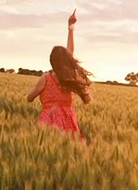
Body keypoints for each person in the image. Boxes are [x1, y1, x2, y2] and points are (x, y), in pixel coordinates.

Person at [26, 9, 92, 138]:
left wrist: (35, 94)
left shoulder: (46, 78)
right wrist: (71, 28)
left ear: (51, 61)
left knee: (45, 144)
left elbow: (29, 98)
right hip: (68, 120)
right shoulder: (68, 77)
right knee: (70, 147)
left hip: (49, 119)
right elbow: (70, 52)